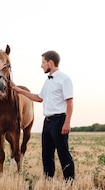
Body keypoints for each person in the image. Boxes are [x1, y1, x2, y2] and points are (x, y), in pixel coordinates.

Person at [13, 50, 75, 181]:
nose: (41, 65)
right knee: (46, 154)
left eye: (43, 62)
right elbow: (39, 98)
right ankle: (48, 180)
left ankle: (70, 181)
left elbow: (70, 102)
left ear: (50, 63)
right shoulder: (48, 81)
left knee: (63, 153)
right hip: (47, 122)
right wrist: (21, 91)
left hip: (59, 120)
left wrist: (67, 122)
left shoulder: (65, 79)